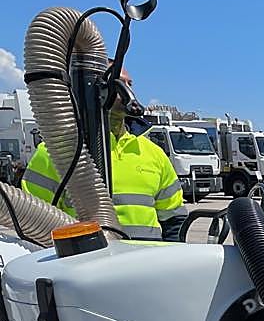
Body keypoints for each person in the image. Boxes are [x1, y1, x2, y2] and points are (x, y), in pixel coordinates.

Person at [21, 65, 184, 240]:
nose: (127, 90)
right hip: (86, 264)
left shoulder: (152, 152)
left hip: (148, 264)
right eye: (118, 83)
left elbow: (173, 219)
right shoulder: (55, 152)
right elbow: (31, 218)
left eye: (130, 84)